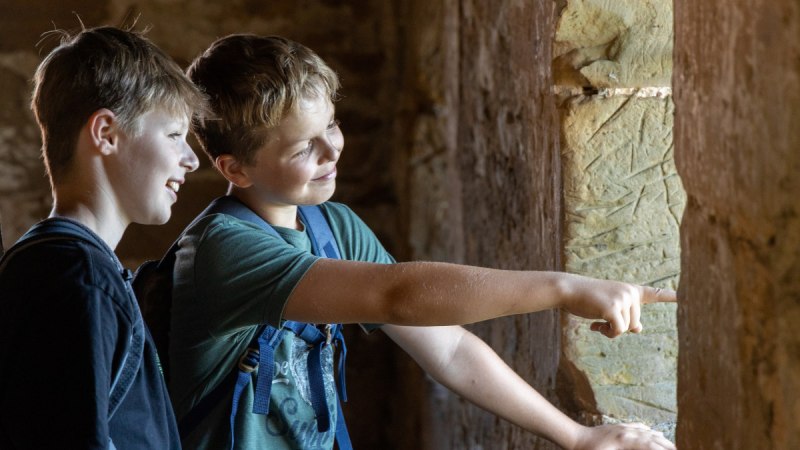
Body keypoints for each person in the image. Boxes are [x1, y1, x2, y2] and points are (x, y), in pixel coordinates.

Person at [171, 34, 677, 450]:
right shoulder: (223, 250)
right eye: (305, 146)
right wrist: (563, 289)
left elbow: (449, 347)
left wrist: (578, 437)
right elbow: (401, 294)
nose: (332, 151)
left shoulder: (331, 228)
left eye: (332, 125)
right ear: (235, 168)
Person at [0, 26, 207, 449]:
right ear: (106, 133)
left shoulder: (73, 269)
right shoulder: (79, 279)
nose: (190, 159)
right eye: (173, 135)